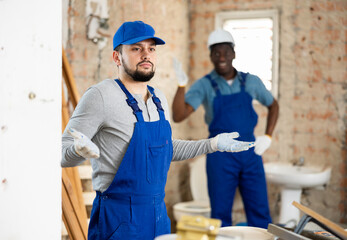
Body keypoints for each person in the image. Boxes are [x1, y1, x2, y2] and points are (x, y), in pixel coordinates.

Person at [61, 21, 255, 240]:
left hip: (158, 217)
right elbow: (62, 153)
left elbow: (166, 149)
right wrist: (78, 150)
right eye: (136, 48)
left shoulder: (158, 99)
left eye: (151, 48)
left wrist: (213, 144)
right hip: (119, 220)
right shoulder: (100, 96)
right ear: (117, 57)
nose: (146, 54)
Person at [172, 29, 279, 228]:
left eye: (226, 52)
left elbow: (274, 105)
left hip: (250, 151)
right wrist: (181, 84)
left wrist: (268, 136)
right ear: (211, 56)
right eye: (216, 53)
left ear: (234, 54)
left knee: (260, 212)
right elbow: (178, 116)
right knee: (220, 214)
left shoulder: (251, 82)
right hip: (220, 154)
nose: (222, 57)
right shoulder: (204, 85)